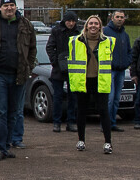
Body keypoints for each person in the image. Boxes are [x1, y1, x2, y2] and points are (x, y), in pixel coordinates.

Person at [0, 0, 35, 160]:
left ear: (16, 7)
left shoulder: (26, 24)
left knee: (13, 112)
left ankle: (7, 145)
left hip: (18, 75)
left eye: (12, 5)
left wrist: (28, 66)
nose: (9, 8)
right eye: (6, 6)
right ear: (1, 8)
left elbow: (32, 48)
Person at [66, 15, 116, 153]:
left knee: (103, 111)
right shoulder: (75, 41)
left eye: (96, 23)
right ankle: (81, 140)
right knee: (81, 111)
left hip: (100, 80)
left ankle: (108, 142)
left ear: (100, 27)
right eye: (91, 23)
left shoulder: (108, 41)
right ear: (86, 26)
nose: (93, 26)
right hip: (83, 80)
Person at [45, 10, 79, 132]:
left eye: (73, 21)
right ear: (64, 21)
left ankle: (71, 122)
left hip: (74, 68)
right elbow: (50, 47)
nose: (71, 23)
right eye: (69, 21)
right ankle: (57, 122)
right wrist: (56, 61)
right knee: (58, 96)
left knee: (73, 97)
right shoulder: (56, 31)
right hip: (58, 69)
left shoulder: (78, 33)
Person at [102, 10, 132, 128]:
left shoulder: (125, 34)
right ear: (112, 18)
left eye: (122, 17)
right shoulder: (105, 32)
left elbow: (129, 51)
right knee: (109, 99)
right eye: (117, 17)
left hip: (121, 71)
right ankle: (106, 123)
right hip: (109, 70)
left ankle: (113, 122)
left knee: (116, 99)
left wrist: (127, 62)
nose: (120, 19)